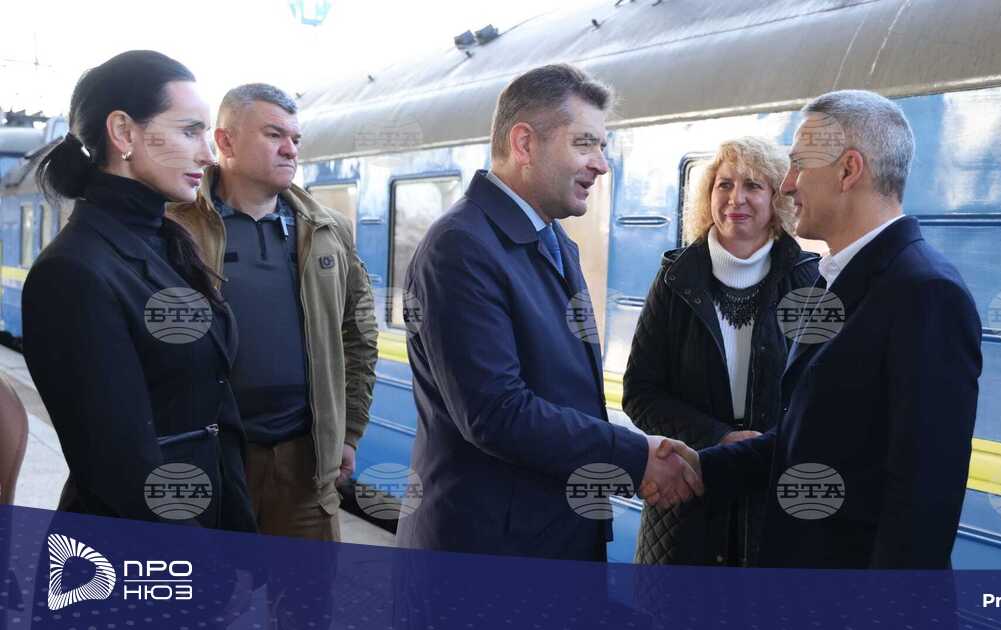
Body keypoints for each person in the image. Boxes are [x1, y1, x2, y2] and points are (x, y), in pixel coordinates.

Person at [648, 90, 983, 569]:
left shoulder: (924, 291)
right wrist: (703, 465)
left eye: (799, 165)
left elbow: (922, 499)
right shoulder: (847, 278)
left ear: (849, 171)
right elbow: (809, 439)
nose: (787, 185)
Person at [396, 63, 701, 561]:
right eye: (585, 144)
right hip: (490, 557)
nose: (601, 165)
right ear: (524, 144)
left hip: (546, 537)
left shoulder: (552, 239)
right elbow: (496, 412)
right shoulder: (460, 247)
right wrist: (635, 457)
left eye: (602, 146)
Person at [22, 50, 255, 532]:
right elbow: (120, 469)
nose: (208, 155)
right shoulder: (72, 271)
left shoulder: (168, 244)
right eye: (189, 131)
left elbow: (217, 411)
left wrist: (241, 535)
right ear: (124, 133)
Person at [166, 83, 378, 542]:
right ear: (225, 142)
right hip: (211, 461)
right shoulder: (174, 226)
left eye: (295, 139)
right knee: (206, 586)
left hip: (304, 468)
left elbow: (358, 334)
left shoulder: (328, 230)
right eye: (274, 135)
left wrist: (349, 431)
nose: (290, 149)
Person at [623, 137, 818, 566]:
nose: (736, 198)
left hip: (775, 508)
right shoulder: (675, 280)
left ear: (776, 198)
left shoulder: (808, 282)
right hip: (685, 507)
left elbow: (821, 401)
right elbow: (640, 393)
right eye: (724, 184)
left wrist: (761, 450)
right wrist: (719, 439)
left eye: (753, 185)